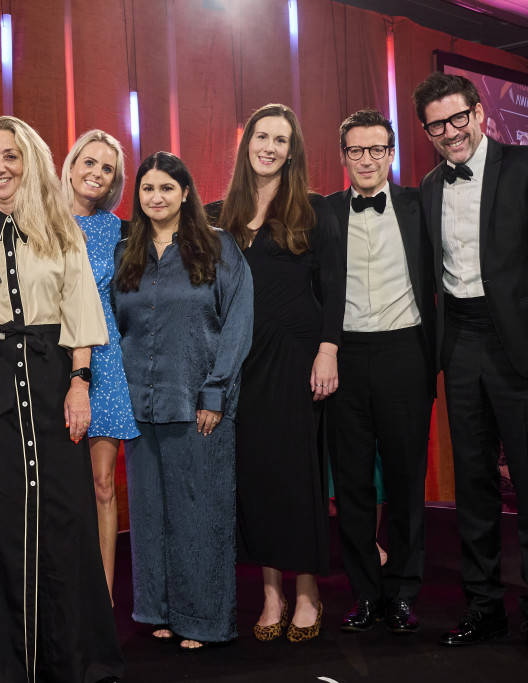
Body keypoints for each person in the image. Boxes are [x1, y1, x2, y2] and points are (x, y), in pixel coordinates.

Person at [413, 72, 528, 658]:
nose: (450, 132)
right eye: (437, 125)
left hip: (527, 348)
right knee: (473, 485)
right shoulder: (428, 185)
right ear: (428, 132)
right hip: (461, 344)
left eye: (458, 117)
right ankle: (484, 606)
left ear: (478, 114)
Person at [0, 116, 123, 682]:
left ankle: (71, 657)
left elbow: (81, 317)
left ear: (32, 162)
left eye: (10, 156)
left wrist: (79, 383)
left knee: (62, 514)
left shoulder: (64, 234)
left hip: (47, 378)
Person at [210, 103, 345, 644]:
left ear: (293, 151)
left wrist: (328, 349)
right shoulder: (220, 212)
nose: (269, 146)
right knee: (255, 476)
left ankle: (308, 590)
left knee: (298, 476)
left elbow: (334, 287)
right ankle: (271, 592)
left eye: (280, 140)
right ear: (247, 144)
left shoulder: (312, 209)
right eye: (261, 136)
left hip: (296, 357)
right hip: (241, 362)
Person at [113, 151, 252, 651]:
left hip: (199, 404)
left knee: (202, 515)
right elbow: (113, 327)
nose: (156, 198)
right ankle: (160, 612)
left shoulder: (217, 248)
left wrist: (216, 391)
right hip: (140, 406)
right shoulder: (125, 252)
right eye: (148, 189)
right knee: (150, 518)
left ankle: (206, 621)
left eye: (167, 189)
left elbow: (238, 322)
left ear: (186, 193)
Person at [325, 109, 435, 635]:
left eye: (377, 150)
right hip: (344, 356)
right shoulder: (324, 212)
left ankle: (404, 593)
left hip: (404, 355)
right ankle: (365, 593)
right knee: (350, 485)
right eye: (356, 150)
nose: (366, 160)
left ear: (391, 155)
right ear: (342, 156)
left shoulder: (419, 206)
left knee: (406, 479)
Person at [60, 129, 140, 601]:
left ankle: (102, 594)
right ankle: (61, 588)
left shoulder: (120, 229)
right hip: (55, 356)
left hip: (107, 359)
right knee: (59, 485)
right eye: (88, 163)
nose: (96, 173)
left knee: (103, 483)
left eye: (106, 168)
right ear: (70, 167)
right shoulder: (40, 222)